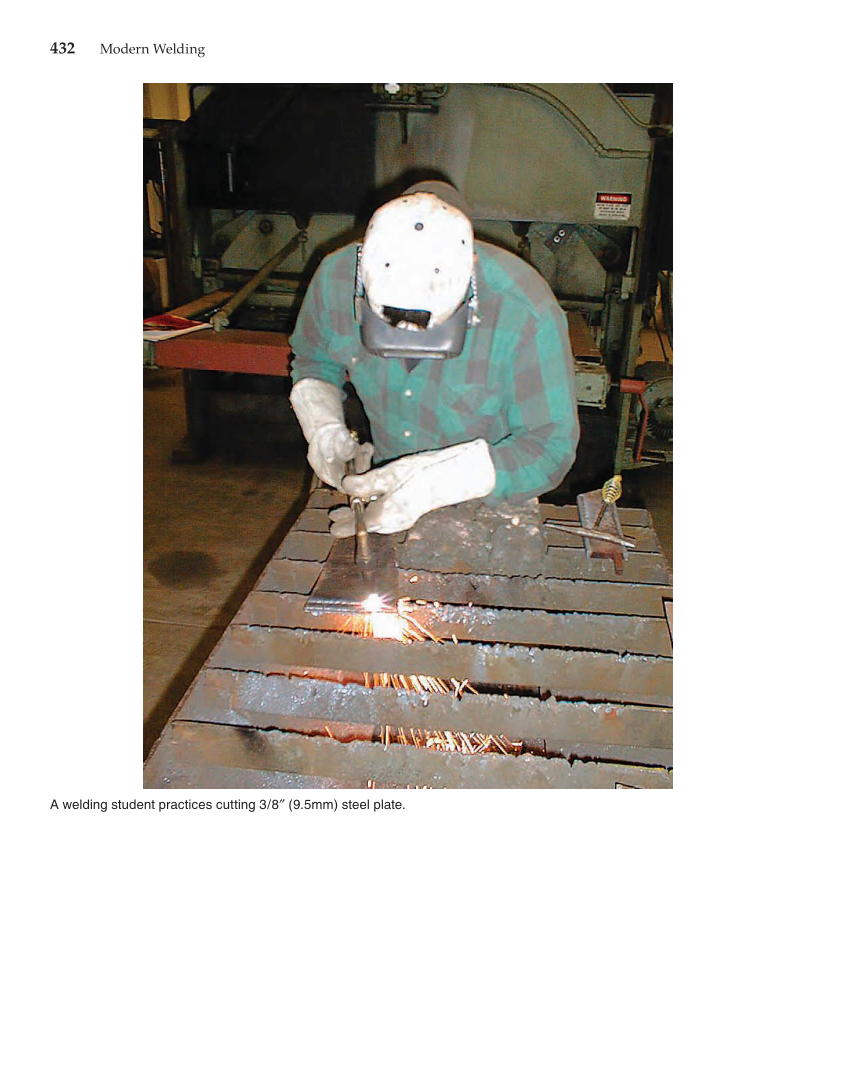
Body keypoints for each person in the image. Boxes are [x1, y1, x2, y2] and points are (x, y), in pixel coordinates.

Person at [288, 181, 579, 536]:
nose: (409, 341)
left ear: (470, 277)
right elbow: (314, 360)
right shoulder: (335, 278)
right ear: (363, 268)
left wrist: (432, 487)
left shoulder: (524, 310)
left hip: (492, 506)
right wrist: (323, 427)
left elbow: (550, 448)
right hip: (386, 494)